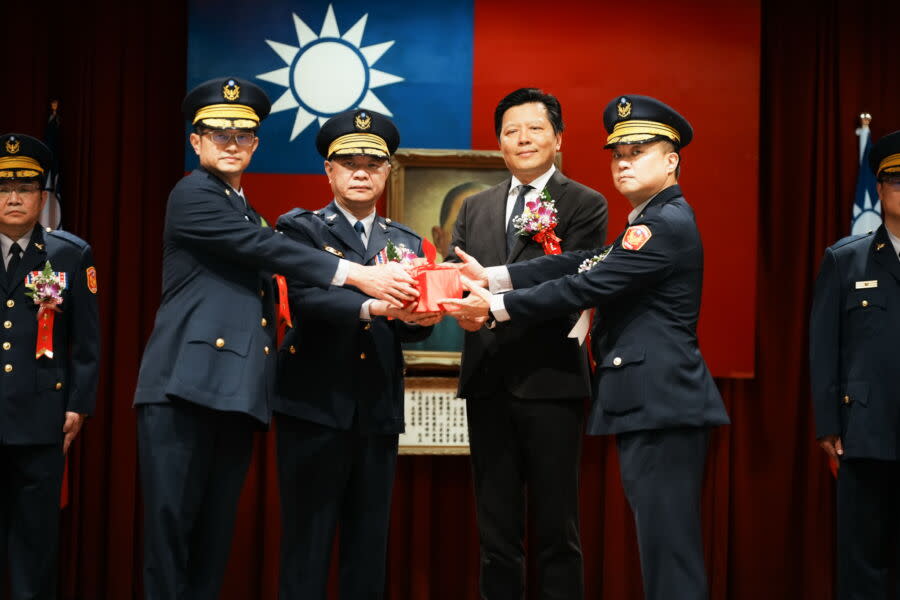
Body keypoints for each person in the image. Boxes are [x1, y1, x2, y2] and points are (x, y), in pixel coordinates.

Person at [133, 78, 418, 600]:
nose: (232, 141)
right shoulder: (195, 193)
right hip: (185, 388)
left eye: (244, 133)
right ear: (195, 142)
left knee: (211, 544)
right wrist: (362, 280)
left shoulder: (248, 209)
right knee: (172, 541)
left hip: (238, 393)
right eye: (218, 132)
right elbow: (275, 260)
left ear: (257, 144)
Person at [444, 94, 730, 600]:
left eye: (639, 151)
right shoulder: (648, 222)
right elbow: (579, 263)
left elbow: (582, 288)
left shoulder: (661, 226)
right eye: (618, 153)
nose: (623, 162)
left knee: (670, 557)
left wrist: (496, 306)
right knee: (662, 552)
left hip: (660, 403)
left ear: (672, 160)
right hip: (652, 403)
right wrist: (492, 274)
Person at [447, 87, 608, 599]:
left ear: (558, 139)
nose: (523, 139)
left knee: (557, 531)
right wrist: (464, 318)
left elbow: (571, 275)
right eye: (511, 131)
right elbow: (460, 284)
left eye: (535, 128)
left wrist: (491, 296)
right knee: (496, 534)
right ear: (499, 143)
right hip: (488, 381)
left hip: (551, 382)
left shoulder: (585, 203)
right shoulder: (475, 206)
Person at [273, 108, 439, 599]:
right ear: (329, 170)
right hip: (313, 407)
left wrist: (421, 319)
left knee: (368, 553)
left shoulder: (406, 242)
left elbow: (408, 331)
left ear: (388, 171)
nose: (361, 171)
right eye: (348, 162)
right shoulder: (300, 230)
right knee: (306, 547)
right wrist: (375, 306)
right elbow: (306, 299)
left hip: (376, 411)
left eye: (373, 162)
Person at [0, 133, 99, 600]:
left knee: (35, 547)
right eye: (3, 188)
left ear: (43, 195)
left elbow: (86, 342)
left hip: (41, 420)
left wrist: (78, 406)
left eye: (25, 187)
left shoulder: (69, 254)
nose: (14, 197)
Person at [810, 129, 900, 598]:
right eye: (897, 180)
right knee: (863, 564)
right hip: (867, 435)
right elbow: (825, 347)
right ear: (880, 188)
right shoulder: (846, 260)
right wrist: (828, 424)